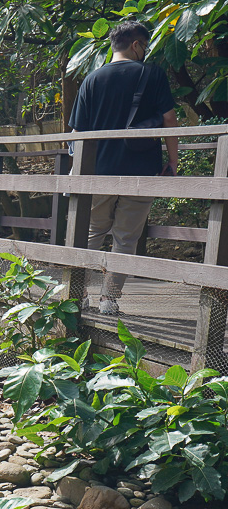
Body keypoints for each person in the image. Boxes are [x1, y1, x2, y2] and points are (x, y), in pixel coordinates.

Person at [69, 20, 178, 315]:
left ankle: (77, 295)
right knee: (126, 237)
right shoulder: (152, 75)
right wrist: (172, 161)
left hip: (98, 171)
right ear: (135, 45)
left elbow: (78, 134)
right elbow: (169, 119)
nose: (146, 52)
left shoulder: (91, 79)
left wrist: (77, 169)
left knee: (91, 232)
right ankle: (109, 299)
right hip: (141, 171)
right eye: (146, 46)